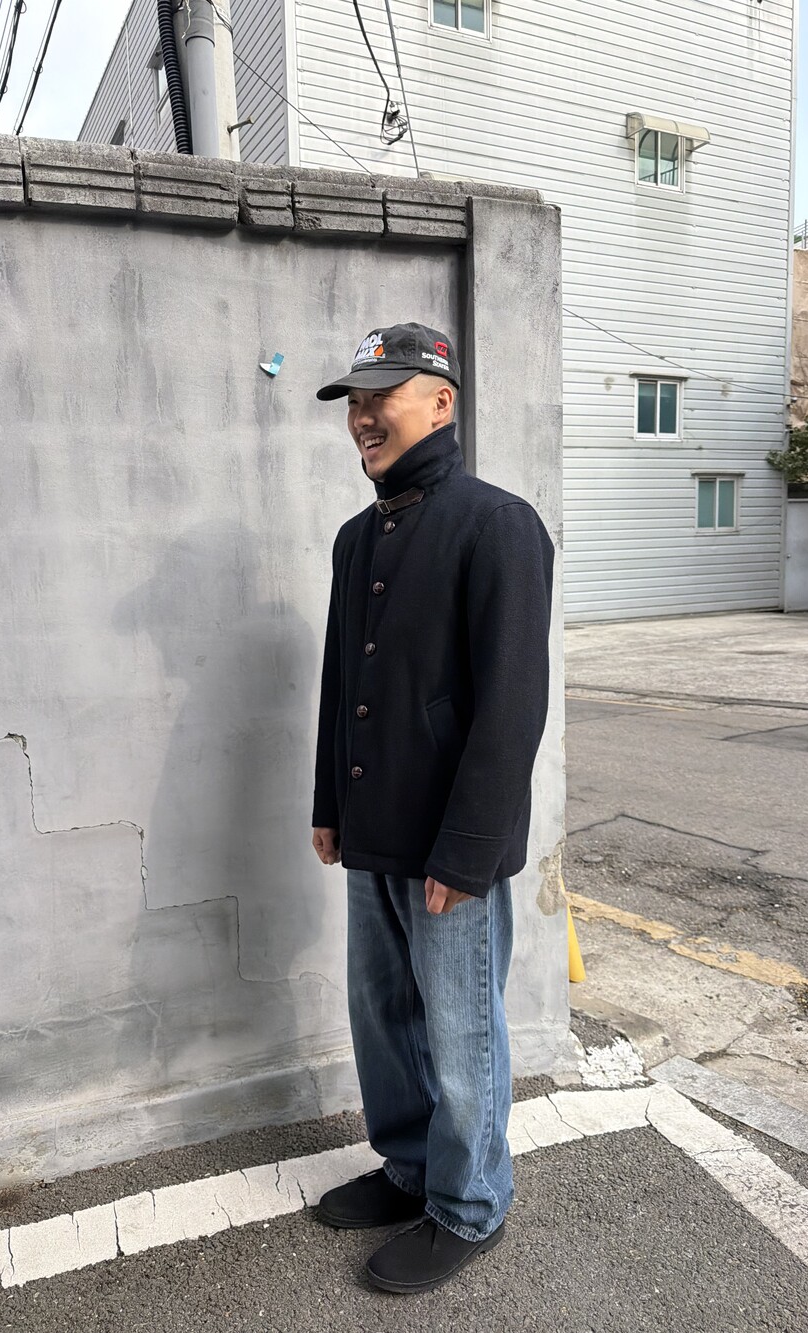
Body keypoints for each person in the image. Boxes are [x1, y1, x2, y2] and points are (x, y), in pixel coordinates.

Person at [310, 322, 554, 1294]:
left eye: (383, 396)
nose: (363, 416)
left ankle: (468, 1202)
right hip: (372, 830)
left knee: (460, 1032)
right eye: (355, 402)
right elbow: (341, 685)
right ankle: (410, 1166)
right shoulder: (357, 538)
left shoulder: (496, 524)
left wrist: (467, 851)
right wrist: (329, 803)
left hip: (451, 846)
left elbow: (511, 707)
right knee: (383, 1018)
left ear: (441, 400)